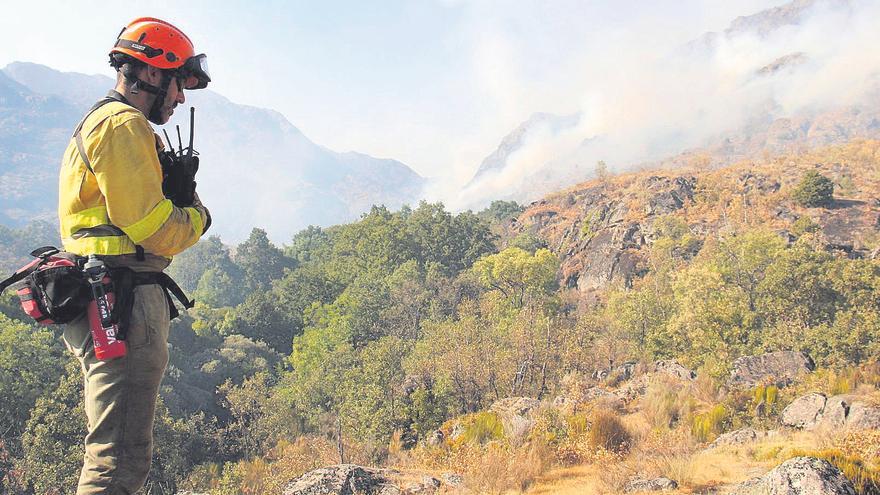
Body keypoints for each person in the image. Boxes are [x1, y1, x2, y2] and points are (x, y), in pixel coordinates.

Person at [57, 17, 212, 494]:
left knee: (118, 445)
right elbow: (154, 228)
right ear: (150, 74)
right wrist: (197, 215)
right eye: (177, 84)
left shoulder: (103, 120)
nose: (180, 97)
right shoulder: (123, 126)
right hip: (123, 299)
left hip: (108, 294)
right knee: (120, 455)